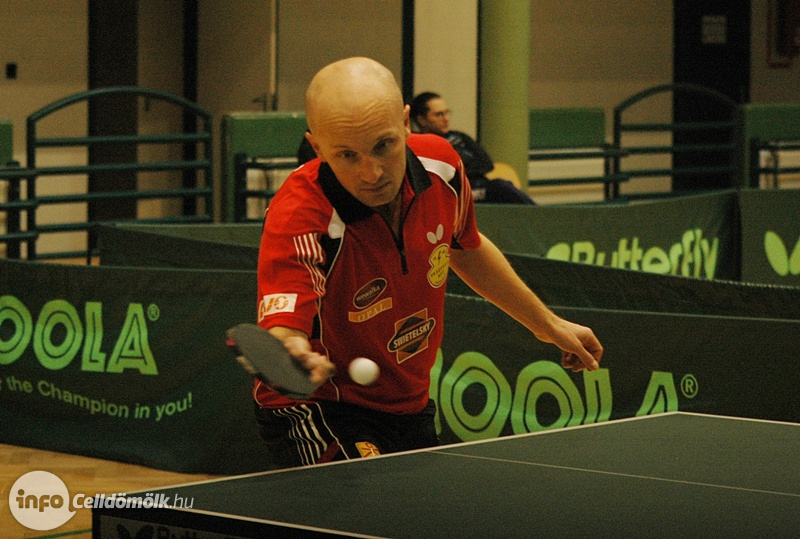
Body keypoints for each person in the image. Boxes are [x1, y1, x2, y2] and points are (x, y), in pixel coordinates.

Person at [254, 57, 602, 468]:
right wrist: (291, 350)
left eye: (383, 146)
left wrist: (549, 324)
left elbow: (465, 247)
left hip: (408, 399)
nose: (372, 173)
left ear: (406, 123)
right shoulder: (300, 214)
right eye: (347, 155)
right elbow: (285, 324)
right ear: (317, 148)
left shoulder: (442, 166)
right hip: (321, 405)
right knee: (366, 501)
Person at [410, 91, 535, 205]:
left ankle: (536, 213)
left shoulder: (459, 137)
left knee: (504, 186)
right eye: (439, 114)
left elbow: (486, 164)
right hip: (456, 193)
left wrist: (460, 164)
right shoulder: (419, 144)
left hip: (479, 185)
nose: (446, 119)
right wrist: (463, 164)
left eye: (447, 113)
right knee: (500, 188)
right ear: (422, 120)